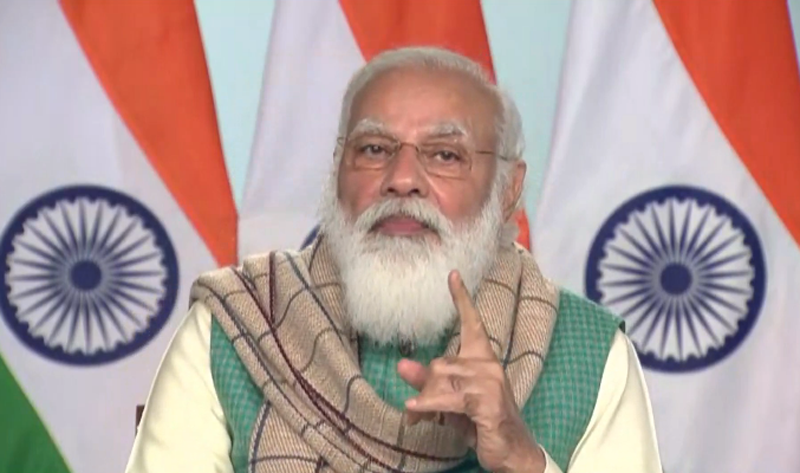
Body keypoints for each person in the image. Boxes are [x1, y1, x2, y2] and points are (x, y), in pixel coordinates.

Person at [125, 46, 662, 473]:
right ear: (337, 170)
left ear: (507, 190)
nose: (402, 180)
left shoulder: (588, 351)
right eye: (374, 149)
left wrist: (523, 460)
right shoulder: (235, 325)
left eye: (445, 155)